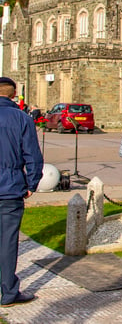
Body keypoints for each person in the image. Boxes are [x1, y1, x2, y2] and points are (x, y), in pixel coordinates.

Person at [0, 76, 43, 307]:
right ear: (14, 95)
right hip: (11, 187)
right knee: (7, 242)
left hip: (10, 185)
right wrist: (31, 184)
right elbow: (33, 156)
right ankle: (8, 292)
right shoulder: (21, 118)